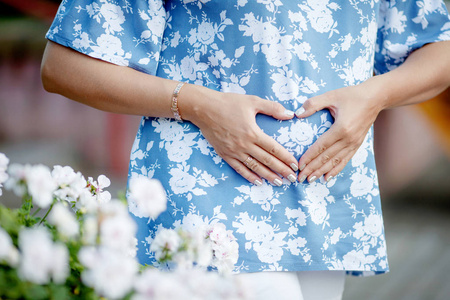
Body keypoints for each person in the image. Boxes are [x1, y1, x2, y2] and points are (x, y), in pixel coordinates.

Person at [41, 0, 450, 299]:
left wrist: (373, 97)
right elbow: (64, 64)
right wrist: (198, 104)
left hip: (325, 210)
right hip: (208, 203)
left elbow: (439, 46)